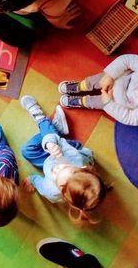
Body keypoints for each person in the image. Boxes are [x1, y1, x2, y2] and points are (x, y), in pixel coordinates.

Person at [20, 95, 107, 224]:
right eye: (64, 167)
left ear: (62, 193)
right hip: (68, 148)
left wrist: (32, 179)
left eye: (56, 176)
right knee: (52, 137)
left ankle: (54, 127)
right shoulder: (76, 158)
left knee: (26, 150)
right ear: (81, 168)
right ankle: (41, 119)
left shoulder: (51, 191)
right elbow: (58, 141)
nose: (57, 169)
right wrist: (50, 144)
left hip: (47, 161)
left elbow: (39, 182)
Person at [36, 238, 102, 268]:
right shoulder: (87, 259)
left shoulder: (87, 259)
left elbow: (90, 257)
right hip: (48, 245)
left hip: (47, 246)